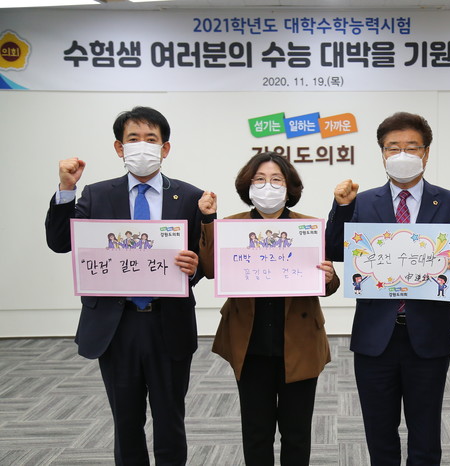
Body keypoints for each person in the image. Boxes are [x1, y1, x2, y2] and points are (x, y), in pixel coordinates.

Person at [45, 106, 208, 465]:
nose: (142, 145)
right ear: (119, 148)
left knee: (170, 419)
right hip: (116, 325)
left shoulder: (189, 197)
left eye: (151, 138)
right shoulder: (96, 195)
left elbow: (202, 264)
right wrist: (66, 189)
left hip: (168, 322)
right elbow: (60, 242)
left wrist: (194, 267)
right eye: (133, 138)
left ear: (165, 148)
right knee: (126, 421)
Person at [325, 112, 450, 465]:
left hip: (429, 335)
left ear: (426, 152)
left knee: (426, 432)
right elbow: (335, 249)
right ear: (382, 153)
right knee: (379, 431)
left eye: (411, 147)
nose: (402, 154)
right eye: (393, 147)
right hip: (374, 336)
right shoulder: (362, 201)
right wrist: (342, 207)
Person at [198, 151, 339, 466]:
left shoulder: (307, 228)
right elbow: (209, 269)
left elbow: (327, 284)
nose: (268, 187)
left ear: (290, 189)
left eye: (276, 180)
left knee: (297, 432)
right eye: (259, 180)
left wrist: (329, 277)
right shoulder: (231, 226)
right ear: (247, 187)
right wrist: (208, 219)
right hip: (250, 344)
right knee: (256, 432)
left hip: (299, 342)